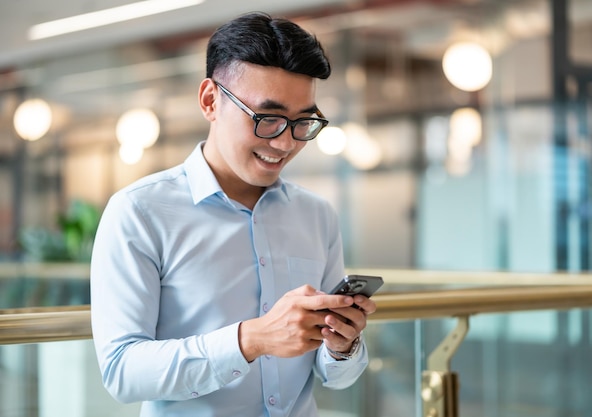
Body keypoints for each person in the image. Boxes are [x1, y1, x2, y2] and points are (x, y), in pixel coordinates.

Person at [90, 11, 377, 417]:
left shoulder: (317, 215)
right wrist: (250, 341)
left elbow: (337, 377)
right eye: (268, 118)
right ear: (210, 100)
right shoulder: (139, 211)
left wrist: (342, 345)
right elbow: (122, 371)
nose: (285, 142)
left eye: (303, 122)